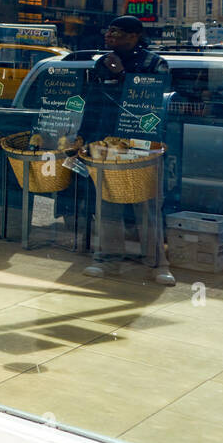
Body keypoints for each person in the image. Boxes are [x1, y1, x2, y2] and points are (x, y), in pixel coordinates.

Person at [81, 15, 169, 277]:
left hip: (143, 144)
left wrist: (122, 75)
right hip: (108, 142)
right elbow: (92, 102)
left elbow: (156, 99)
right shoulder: (101, 63)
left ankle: (156, 262)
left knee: (148, 204)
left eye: (116, 32)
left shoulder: (155, 63)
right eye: (108, 31)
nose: (109, 36)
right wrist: (83, 136)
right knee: (106, 202)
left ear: (134, 36)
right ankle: (107, 258)